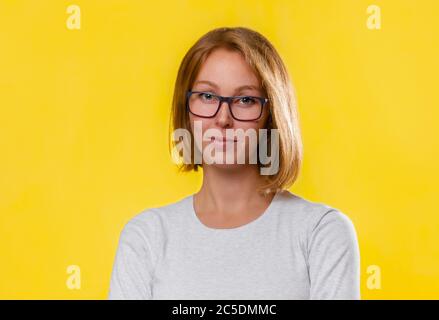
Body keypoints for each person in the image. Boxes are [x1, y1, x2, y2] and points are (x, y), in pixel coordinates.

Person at [108, 26, 360, 300]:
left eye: (245, 100)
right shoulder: (146, 237)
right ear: (186, 110)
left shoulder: (321, 233)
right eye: (207, 96)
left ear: (272, 114)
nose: (224, 119)